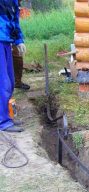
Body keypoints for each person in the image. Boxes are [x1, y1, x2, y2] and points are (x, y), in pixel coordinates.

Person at [0, 0, 26, 132]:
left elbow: (14, 21)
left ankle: (6, 117)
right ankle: (3, 121)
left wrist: (19, 40)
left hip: (6, 42)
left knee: (10, 81)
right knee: (3, 83)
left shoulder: (13, 1)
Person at [13, 0, 30, 90]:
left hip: (10, 35)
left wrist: (19, 40)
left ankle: (17, 82)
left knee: (18, 57)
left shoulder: (15, 3)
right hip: (4, 36)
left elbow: (15, 22)